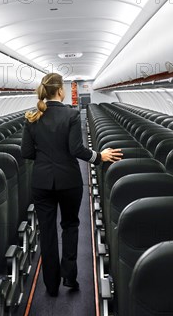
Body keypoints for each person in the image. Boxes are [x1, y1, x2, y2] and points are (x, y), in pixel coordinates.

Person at [21, 73, 122, 297]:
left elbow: (26, 152)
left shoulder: (32, 117)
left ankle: (50, 284)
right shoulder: (71, 114)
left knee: (46, 232)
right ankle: (69, 276)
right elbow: (76, 149)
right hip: (69, 180)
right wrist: (99, 156)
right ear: (60, 91)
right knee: (70, 225)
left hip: (42, 182)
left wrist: (44, 156)